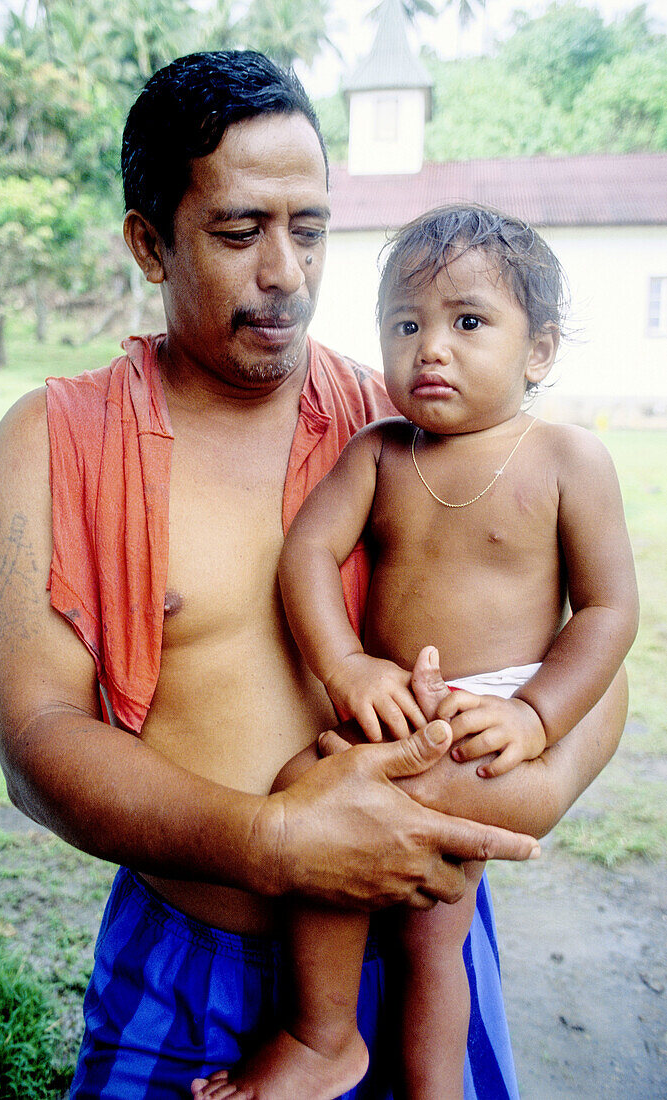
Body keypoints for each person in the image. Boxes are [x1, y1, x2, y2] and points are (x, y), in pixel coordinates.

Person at [0, 52, 627, 1100]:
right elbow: (39, 741)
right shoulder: (58, 439)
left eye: (310, 228)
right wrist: (275, 839)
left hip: (413, 944)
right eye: (239, 232)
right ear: (150, 242)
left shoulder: (403, 424)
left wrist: (531, 781)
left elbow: (586, 646)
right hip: (191, 965)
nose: (286, 272)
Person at [190, 204, 639, 1100]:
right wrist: (346, 666)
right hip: (390, 713)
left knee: (396, 889)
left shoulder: (565, 458)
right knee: (393, 889)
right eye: (406, 324)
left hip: (491, 722)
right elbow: (307, 554)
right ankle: (352, 1050)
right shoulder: (381, 452)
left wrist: (533, 714)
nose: (430, 347)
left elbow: (608, 610)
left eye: (467, 323)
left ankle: (334, 1047)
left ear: (538, 351)